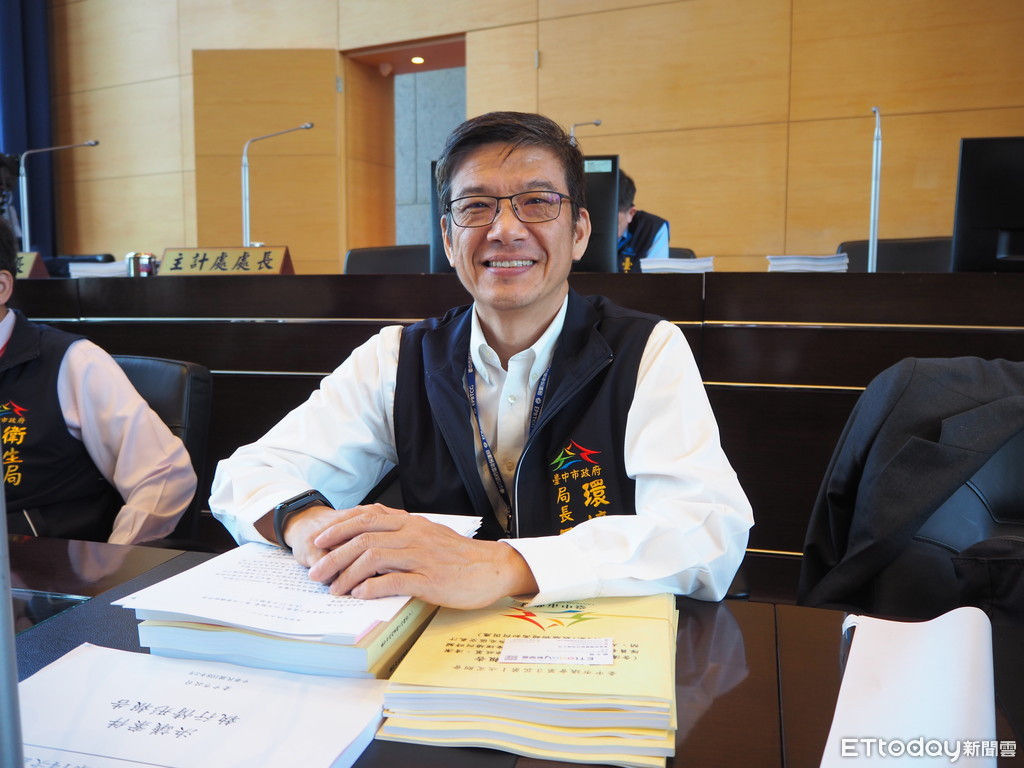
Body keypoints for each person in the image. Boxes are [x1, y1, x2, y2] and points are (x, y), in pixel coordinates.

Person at [210, 111, 752, 610]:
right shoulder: (398, 356)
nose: (505, 229)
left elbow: (708, 532)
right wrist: (310, 525)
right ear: (449, 239)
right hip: (431, 641)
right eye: (475, 206)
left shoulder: (646, 350)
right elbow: (246, 475)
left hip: (592, 641)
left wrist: (502, 565)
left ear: (580, 232)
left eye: (537, 202)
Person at [0, 217, 197, 544]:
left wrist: (116, 559)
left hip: (44, 564)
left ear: (3, 286)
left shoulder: (74, 362)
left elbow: (164, 474)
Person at [616, 169, 670, 272]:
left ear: (631, 213)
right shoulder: (584, 225)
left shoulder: (652, 228)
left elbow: (654, 279)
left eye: (616, 224)